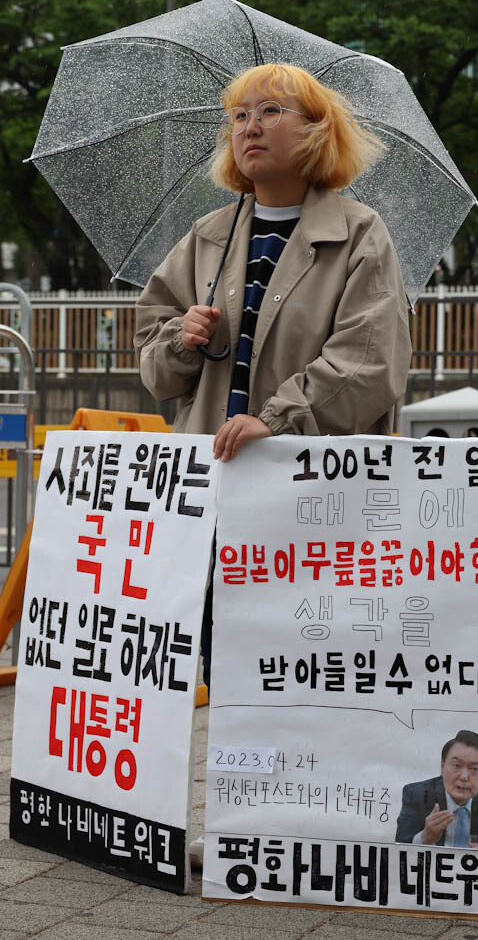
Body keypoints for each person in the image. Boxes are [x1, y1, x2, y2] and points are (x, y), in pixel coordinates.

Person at [135, 62, 411, 673]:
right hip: (211, 495)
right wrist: (182, 339)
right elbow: (156, 367)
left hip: (311, 504)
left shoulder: (361, 234)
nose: (249, 127)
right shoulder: (207, 237)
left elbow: (370, 359)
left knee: (298, 670)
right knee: (214, 665)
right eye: (238, 116)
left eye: (270, 111)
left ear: (316, 130)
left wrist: (277, 419)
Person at [395, 729, 478, 852]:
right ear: (442, 767)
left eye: (474, 769)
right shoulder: (417, 794)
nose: (464, 777)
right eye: (456, 766)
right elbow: (398, 846)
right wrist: (424, 838)